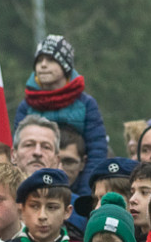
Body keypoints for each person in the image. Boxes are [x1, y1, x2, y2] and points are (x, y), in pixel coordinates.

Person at [15, 34, 108, 194]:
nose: (43, 65)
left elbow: (97, 151)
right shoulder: (26, 105)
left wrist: (85, 192)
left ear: (66, 66)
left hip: (78, 186)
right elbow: (17, 149)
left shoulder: (86, 104)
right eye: (39, 60)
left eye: (51, 60)